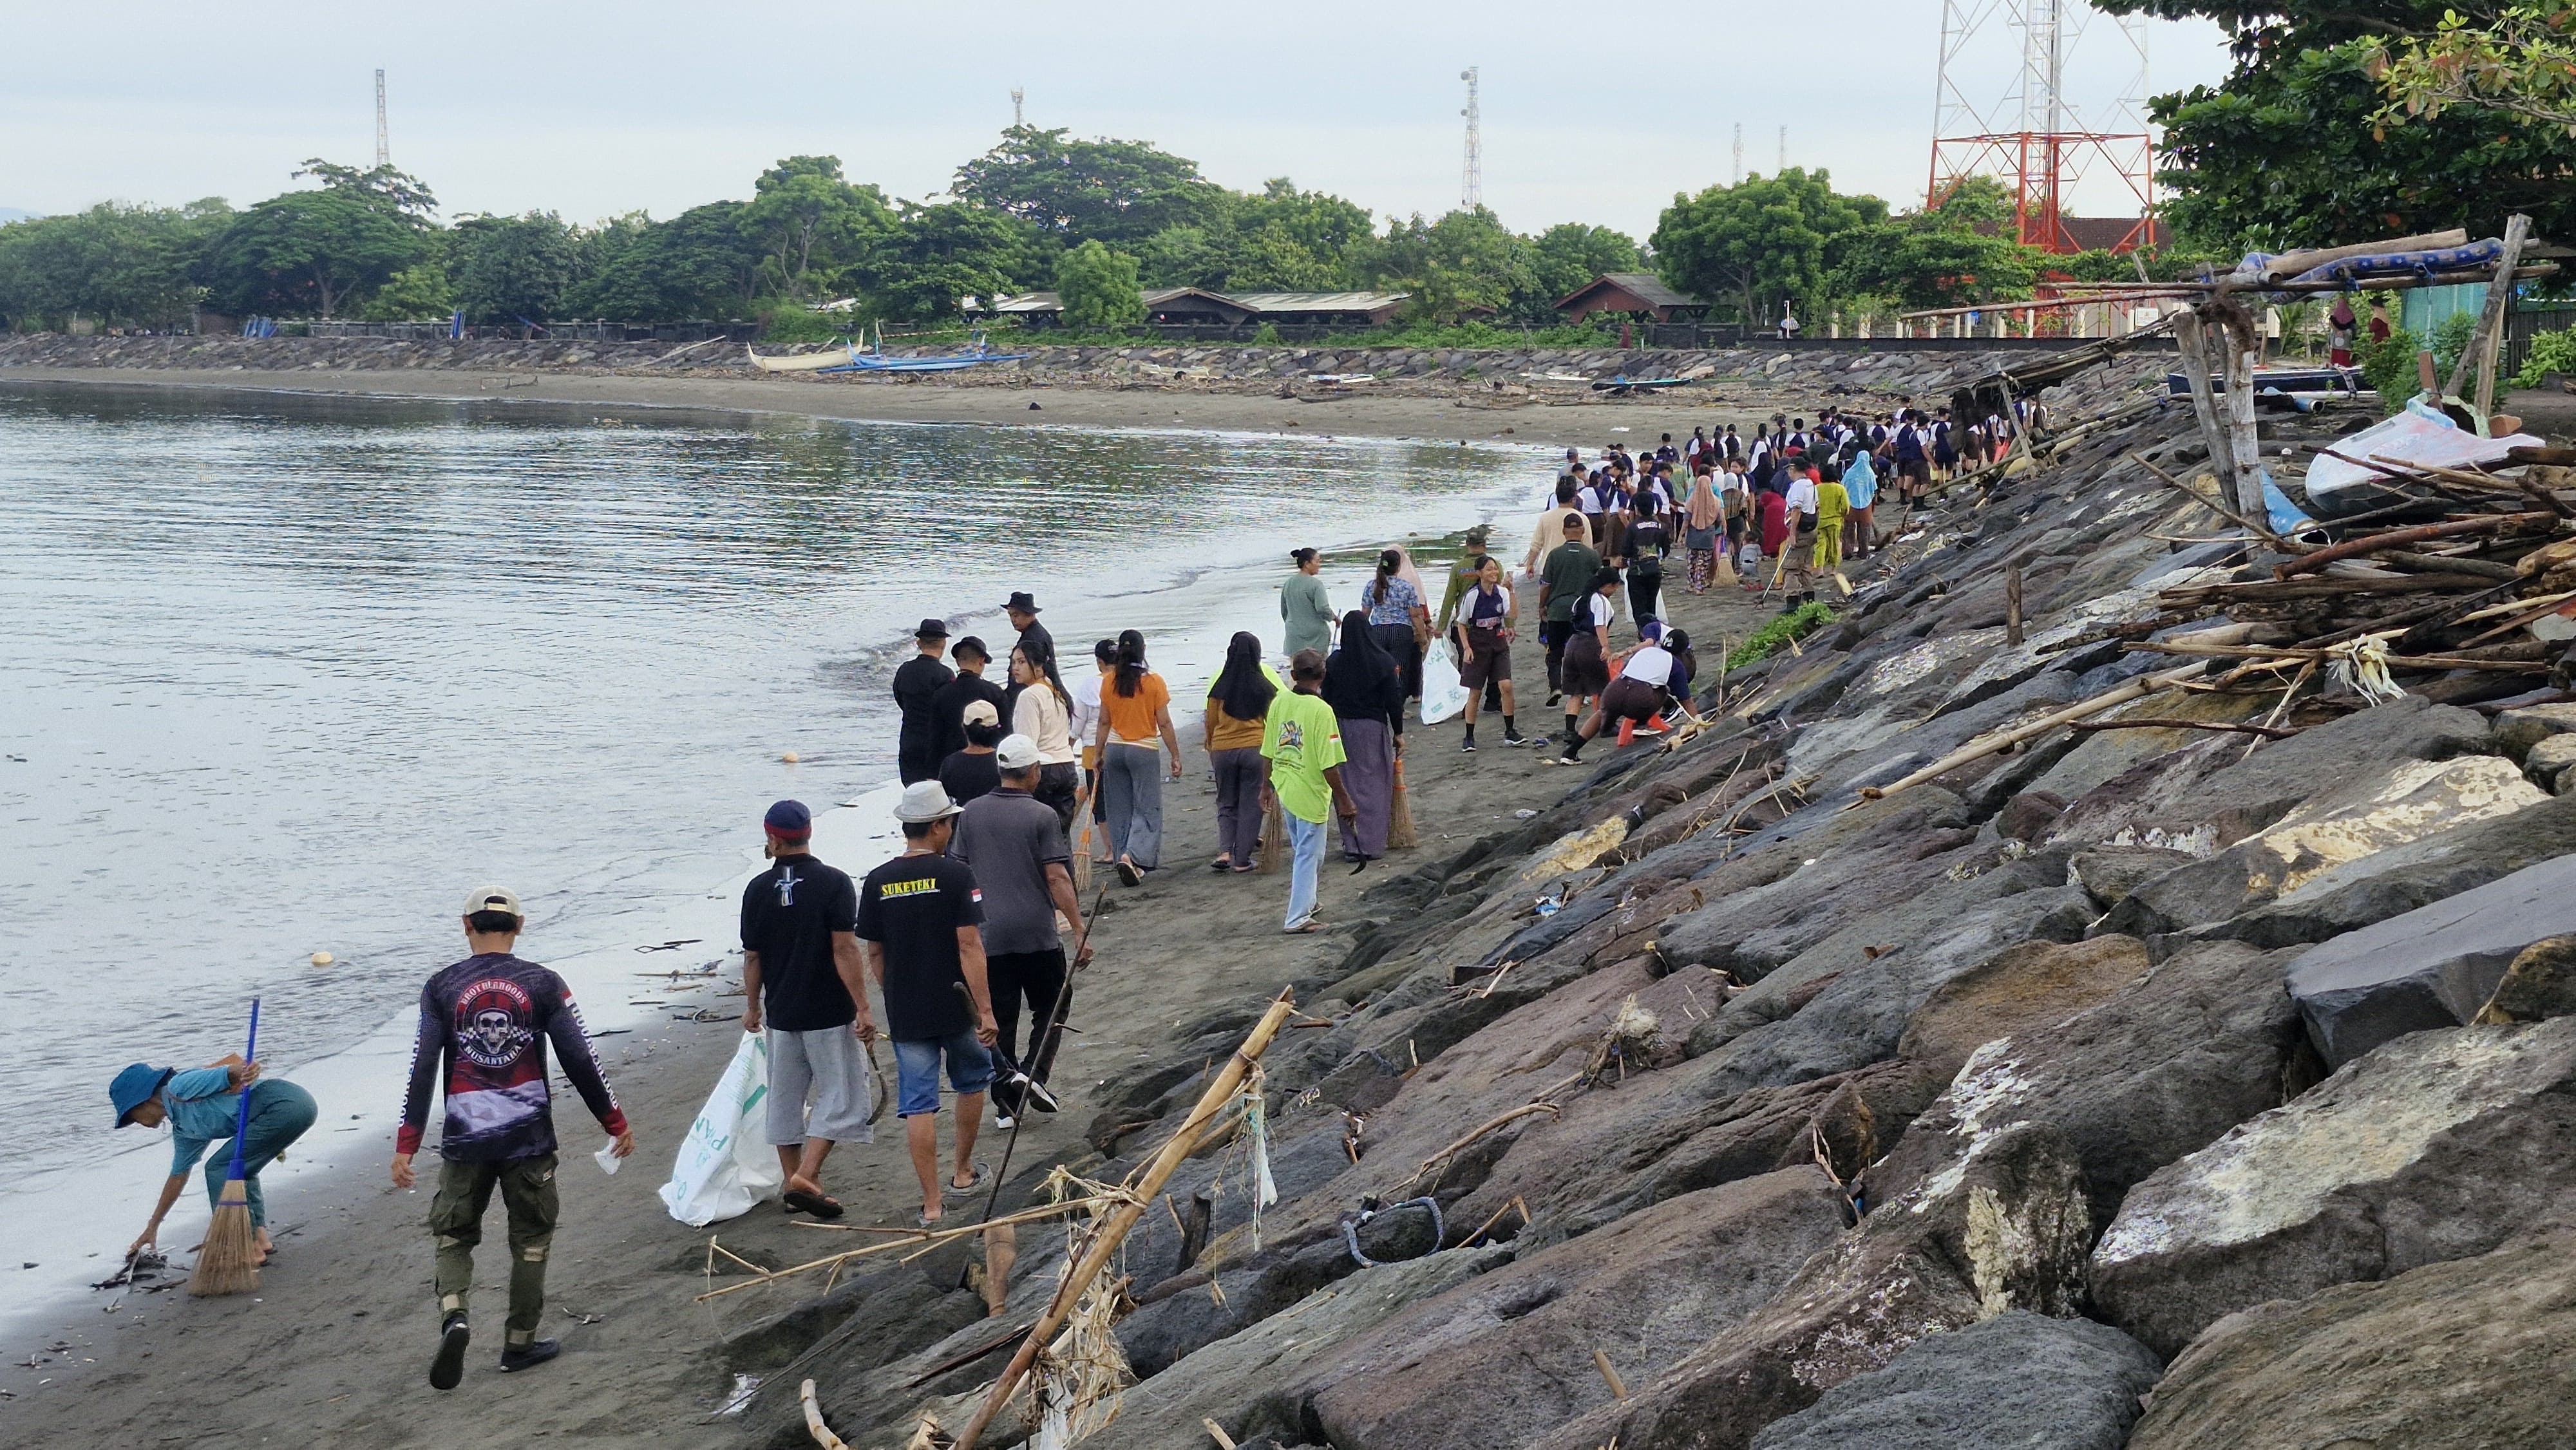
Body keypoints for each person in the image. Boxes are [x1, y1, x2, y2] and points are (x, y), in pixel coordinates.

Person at [395, 887, 632, 1389]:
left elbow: (422, 1065)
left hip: (465, 1139)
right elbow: (579, 1057)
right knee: (531, 1238)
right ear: (519, 926)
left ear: (466, 925)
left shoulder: (441, 986)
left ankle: (455, 1314)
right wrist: (613, 1121)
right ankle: (519, 1344)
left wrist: (407, 1142)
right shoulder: (543, 983)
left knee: (454, 1234)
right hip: (529, 1139)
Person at [857, 782, 998, 1229]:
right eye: (948, 822)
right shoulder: (957, 875)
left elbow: (874, 953)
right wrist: (987, 1008)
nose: (950, 829)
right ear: (936, 826)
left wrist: (892, 989)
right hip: (955, 1002)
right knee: (971, 1081)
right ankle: (962, 1172)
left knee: (918, 1104)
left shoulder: (877, 881)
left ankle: (932, 1203)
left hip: (908, 1008)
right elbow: (969, 945)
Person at [738, 800, 875, 1222]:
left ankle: (794, 1179)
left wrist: (752, 1007)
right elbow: (844, 948)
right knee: (843, 1095)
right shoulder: (833, 883)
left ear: (772, 838)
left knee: (784, 1099)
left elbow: (753, 958)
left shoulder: (757, 890)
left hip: (782, 1010)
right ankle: (807, 1175)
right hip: (828, 1010)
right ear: (809, 832)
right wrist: (863, 1005)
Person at [949, 739, 1090, 1128]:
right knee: (1055, 1003)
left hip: (988, 934)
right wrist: (1078, 927)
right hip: (1036, 932)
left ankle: (1005, 1100)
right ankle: (1032, 1074)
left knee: (1001, 1014)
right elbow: (1057, 876)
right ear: (1034, 772)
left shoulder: (971, 813)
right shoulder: (1042, 815)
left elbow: (958, 871)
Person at [113, 1050, 319, 1272]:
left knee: (219, 1168)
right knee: (241, 1169)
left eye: (131, 1117)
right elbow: (178, 1175)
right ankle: (259, 1240)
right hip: (287, 1111)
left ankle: (245, 1248)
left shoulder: (179, 1087)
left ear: (142, 1102)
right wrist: (152, 1226)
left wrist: (246, 1070)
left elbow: (228, 1074)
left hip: (283, 1103)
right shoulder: (183, 1128)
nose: (136, 1123)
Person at [1260, 650, 1358, 932]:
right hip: (1308, 789)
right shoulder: (1322, 711)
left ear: (1293, 677)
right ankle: (1297, 917)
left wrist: (1265, 786)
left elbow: (1268, 749)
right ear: (1323, 675)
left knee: (1310, 850)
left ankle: (1309, 900)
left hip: (1286, 783)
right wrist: (1345, 800)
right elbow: (1329, 764)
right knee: (1308, 853)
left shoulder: (1280, 701)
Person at [1090, 628, 1180, 885]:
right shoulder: (1153, 682)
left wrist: (1097, 754)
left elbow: (1104, 722)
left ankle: (1123, 855)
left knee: (1120, 808)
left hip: (1115, 749)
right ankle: (1134, 857)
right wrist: (1175, 755)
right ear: (1143, 651)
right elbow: (1163, 723)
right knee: (1147, 807)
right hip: (1143, 749)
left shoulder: (1109, 681)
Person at [1323, 610, 1403, 863]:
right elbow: (1394, 701)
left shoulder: (1335, 662)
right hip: (1372, 728)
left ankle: (1352, 843)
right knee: (1376, 784)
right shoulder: (1383, 661)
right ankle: (1371, 843)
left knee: (1346, 784)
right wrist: (1399, 733)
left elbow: (1326, 697)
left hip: (1341, 729)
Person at [1553, 619, 1679, 765]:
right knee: (1663, 691)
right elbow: (1685, 699)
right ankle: (1641, 725)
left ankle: (1571, 751)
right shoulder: (1672, 660)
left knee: (1602, 712)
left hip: (1614, 690)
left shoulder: (1642, 654)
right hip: (1638, 699)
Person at [1203, 632, 1278, 872]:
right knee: (1251, 803)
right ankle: (1243, 860)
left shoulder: (1219, 688)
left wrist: (1211, 744)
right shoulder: (1264, 687)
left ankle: (1225, 852)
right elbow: (1273, 722)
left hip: (1223, 750)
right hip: (1255, 749)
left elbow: (1211, 722)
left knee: (1226, 801)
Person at [1008, 640, 1080, 834]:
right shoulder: (1057, 690)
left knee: (1040, 836)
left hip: (1044, 770)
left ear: (1039, 665)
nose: (1015, 668)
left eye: (1022, 662)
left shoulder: (1029, 696)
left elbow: (1026, 743)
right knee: (1061, 834)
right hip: (1066, 765)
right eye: (1013, 662)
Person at [1453, 556, 1524, 750]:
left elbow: (1512, 615)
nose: (1494, 573)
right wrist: (1467, 648)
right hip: (1478, 642)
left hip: (1498, 641)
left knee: (1506, 685)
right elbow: (1461, 624)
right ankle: (1469, 736)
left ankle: (1510, 731)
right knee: (1475, 692)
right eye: (1489, 569)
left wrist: (1512, 591)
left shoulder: (1501, 593)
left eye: (1495, 569)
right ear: (1479, 573)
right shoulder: (1472, 596)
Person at [1546, 568, 1618, 757]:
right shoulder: (1601, 601)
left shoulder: (1580, 600)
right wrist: (1605, 647)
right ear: (1609, 585)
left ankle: (1570, 730)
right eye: (1615, 586)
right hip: (1590, 645)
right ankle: (1605, 725)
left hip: (1572, 645)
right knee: (1604, 688)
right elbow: (1600, 625)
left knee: (1576, 692)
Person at [1537, 514, 1601, 706]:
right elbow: (1600, 584)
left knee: (1555, 653)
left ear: (1564, 532)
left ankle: (1556, 686)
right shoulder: (1592, 556)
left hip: (1557, 611)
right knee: (1583, 653)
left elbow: (1546, 585)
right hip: (1582, 612)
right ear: (1582, 531)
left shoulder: (1555, 555)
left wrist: (1542, 605)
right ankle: (1584, 692)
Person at [1361, 548, 1429, 702]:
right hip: (1401, 631)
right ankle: (1398, 706)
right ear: (1398, 567)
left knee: (1380, 668)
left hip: (1377, 631)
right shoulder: (1406, 587)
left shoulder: (1371, 586)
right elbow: (1415, 615)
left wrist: (1363, 634)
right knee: (1400, 669)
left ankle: (1381, 701)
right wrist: (1423, 636)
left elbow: (1365, 613)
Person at [1070, 638, 1115, 867]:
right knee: (1120, 798)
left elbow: (1078, 722)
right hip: (1119, 746)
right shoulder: (1124, 680)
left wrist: (1067, 745)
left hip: (1091, 748)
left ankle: (1109, 850)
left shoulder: (1090, 686)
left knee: (1100, 804)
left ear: (1099, 662)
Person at [894, 620, 954, 786]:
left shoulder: (904, 670)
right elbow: (949, 710)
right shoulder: (945, 675)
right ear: (943, 643)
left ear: (919, 643)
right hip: (935, 744)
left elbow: (899, 699)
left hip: (909, 740)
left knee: (913, 792)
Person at [933, 636, 1008, 764]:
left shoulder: (941, 694)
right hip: (990, 763)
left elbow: (935, 738)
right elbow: (1006, 732)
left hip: (952, 764)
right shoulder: (994, 692)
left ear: (958, 662)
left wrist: (933, 772)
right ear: (981, 661)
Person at [938, 698, 1005, 805]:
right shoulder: (1004, 762)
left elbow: (945, 800)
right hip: (999, 820)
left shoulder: (950, 763)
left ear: (964, 729)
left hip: (963, 820)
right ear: (996, 729)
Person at [1523, 477, 1592, 575]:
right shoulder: (1582, 518)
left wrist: (1530, 564)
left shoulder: (1545, 517)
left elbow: (1536, 545)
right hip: (1574, 568)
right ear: (1573, 500)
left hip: (1548, 567)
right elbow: (1587, 547)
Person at [1281, 549, 1336, 659]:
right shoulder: (1316, 585)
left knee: (1296, 670)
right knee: (1317, 671)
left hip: (1294, 636)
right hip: (1316, 638)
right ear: (1307, 564)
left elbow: (1284, 611)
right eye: (1317, 561)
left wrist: (1294, 625)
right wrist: (1334, 618)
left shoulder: (1288, 583)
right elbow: (1322, 609)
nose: (1319, 565)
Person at [1683, 466, 1725, 594]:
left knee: (1692, 561)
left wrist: (1681, 535)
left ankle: (1691, 585)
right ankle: (1699, 587)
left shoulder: (1692, 498)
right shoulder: (1716, 501)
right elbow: (1720, 519)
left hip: (1693, 535)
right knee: (1703, 563)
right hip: (1708, 535)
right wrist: (1720, 528)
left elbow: (1686, 519)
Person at [1842, 446, 1879, 561]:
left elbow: (1843, 486)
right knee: (1864, 530)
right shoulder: (1870, 473)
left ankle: (1847, 551)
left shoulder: (1850, 472)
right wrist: (1874, 503)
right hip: (1866, 505)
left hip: (1850, 505)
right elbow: (1874, 490)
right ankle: (1863, 552)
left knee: (1848, 529)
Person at [1001, 591, 1052, 672]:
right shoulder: (1037, 632)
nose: (1013, 620)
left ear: (1030, 614)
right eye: (1010, 615)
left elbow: (1026, 673)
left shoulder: (1031, 639)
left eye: (1016, 615)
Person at [2328, 298, 2358, 368]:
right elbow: (2353, 326)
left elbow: (2330, 323)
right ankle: (2345, 366)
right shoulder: (2350, 314)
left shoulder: (2334, 313)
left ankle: (2335, 366)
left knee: (2336, 353)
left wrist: (2337, 331)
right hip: (2346, 337)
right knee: (2344, 354)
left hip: (2336, 337)